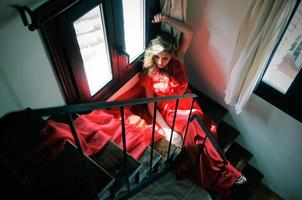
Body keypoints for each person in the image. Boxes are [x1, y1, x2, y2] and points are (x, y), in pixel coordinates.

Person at [136, 13, 247, 197]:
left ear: (171, 55)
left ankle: (215, 174)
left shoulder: (178, 58)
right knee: (197, 127)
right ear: (152, 55)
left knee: (200, 129)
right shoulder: (149, 75)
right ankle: (226, 171)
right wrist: (166, 130)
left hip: (189, 103)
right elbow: (151, 107)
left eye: (165, 58)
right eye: (157, 57)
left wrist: (166, 19)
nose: (161, 62)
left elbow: (189, 32)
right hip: (172, 112)